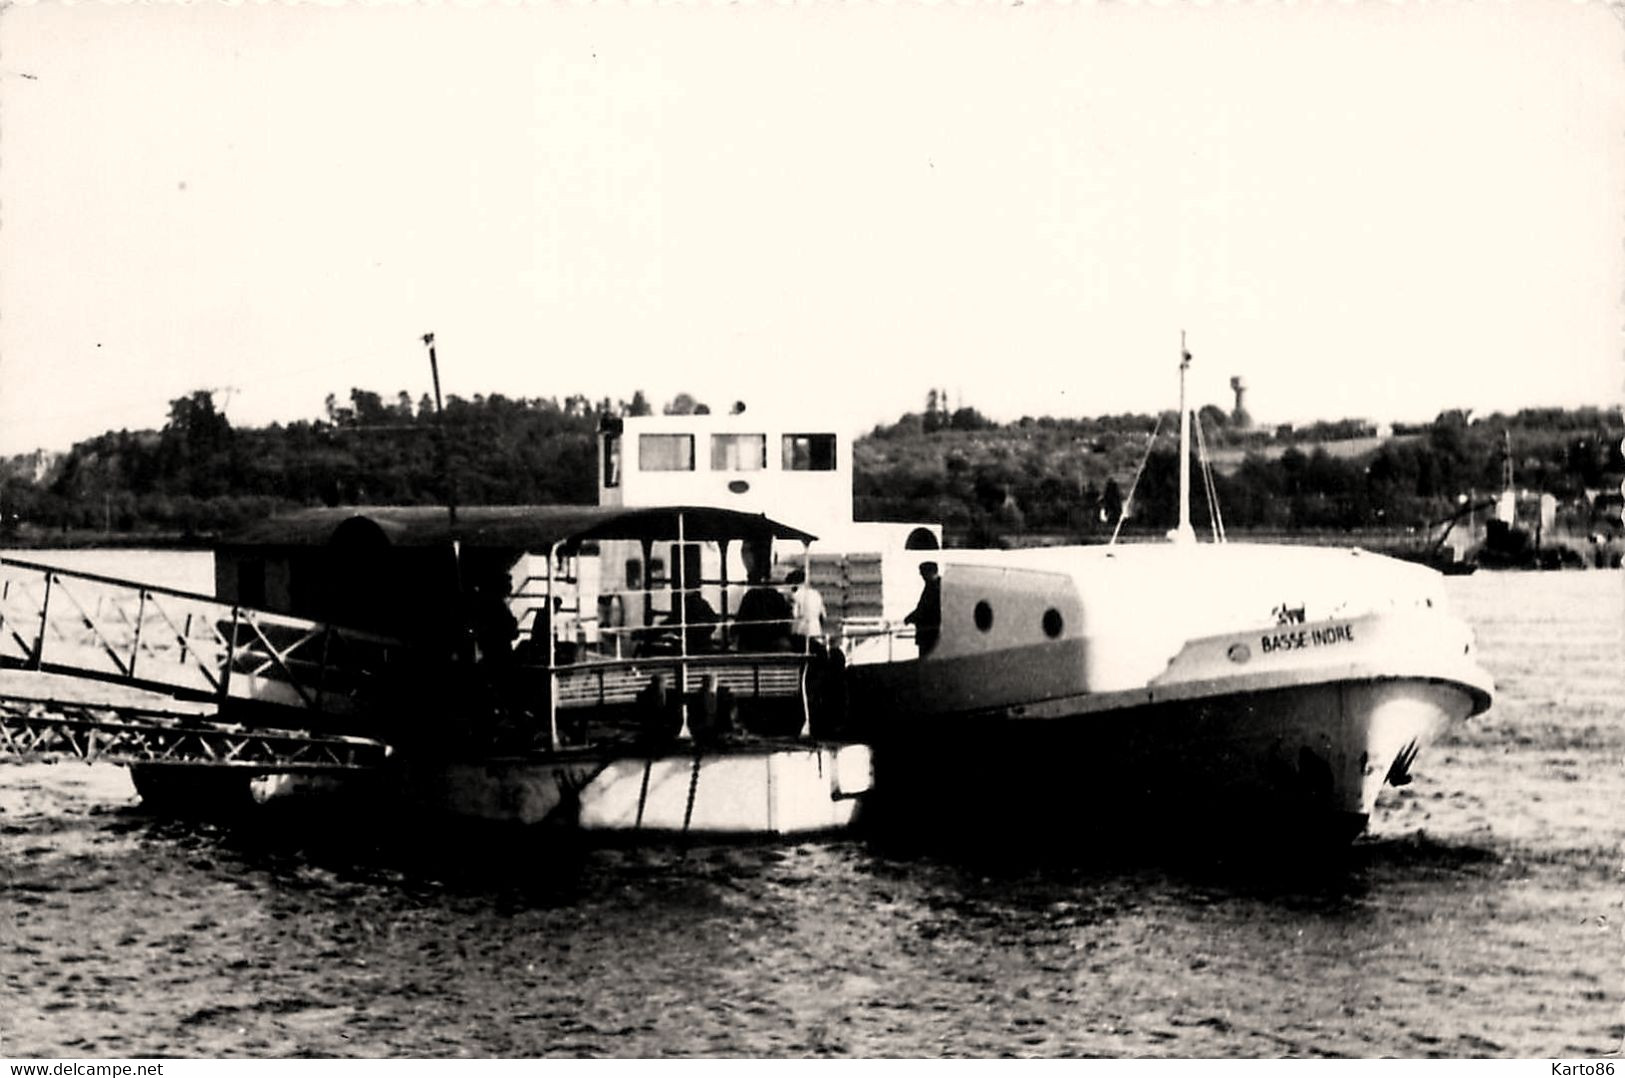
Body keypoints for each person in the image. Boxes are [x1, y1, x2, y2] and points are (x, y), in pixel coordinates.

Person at [735, 567, 792, 652]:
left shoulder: (750, 595)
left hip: (750, 640)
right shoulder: (779, 598)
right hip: (771, 640)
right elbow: (786, 621)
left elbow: (740, 619)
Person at [903, 561, 941, 657]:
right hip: (931, 633)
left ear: (929, 573)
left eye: (922, 573)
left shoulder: (933, 588)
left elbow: (925, 609)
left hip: (929, 634)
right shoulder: (937, 586)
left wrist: (909, 619)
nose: (921, 575)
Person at [787, 568, 827, 653]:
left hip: (801, 632)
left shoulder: (795, 596)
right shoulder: (816, 594)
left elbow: (794, 615)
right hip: (816, 631)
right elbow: (823, 616)